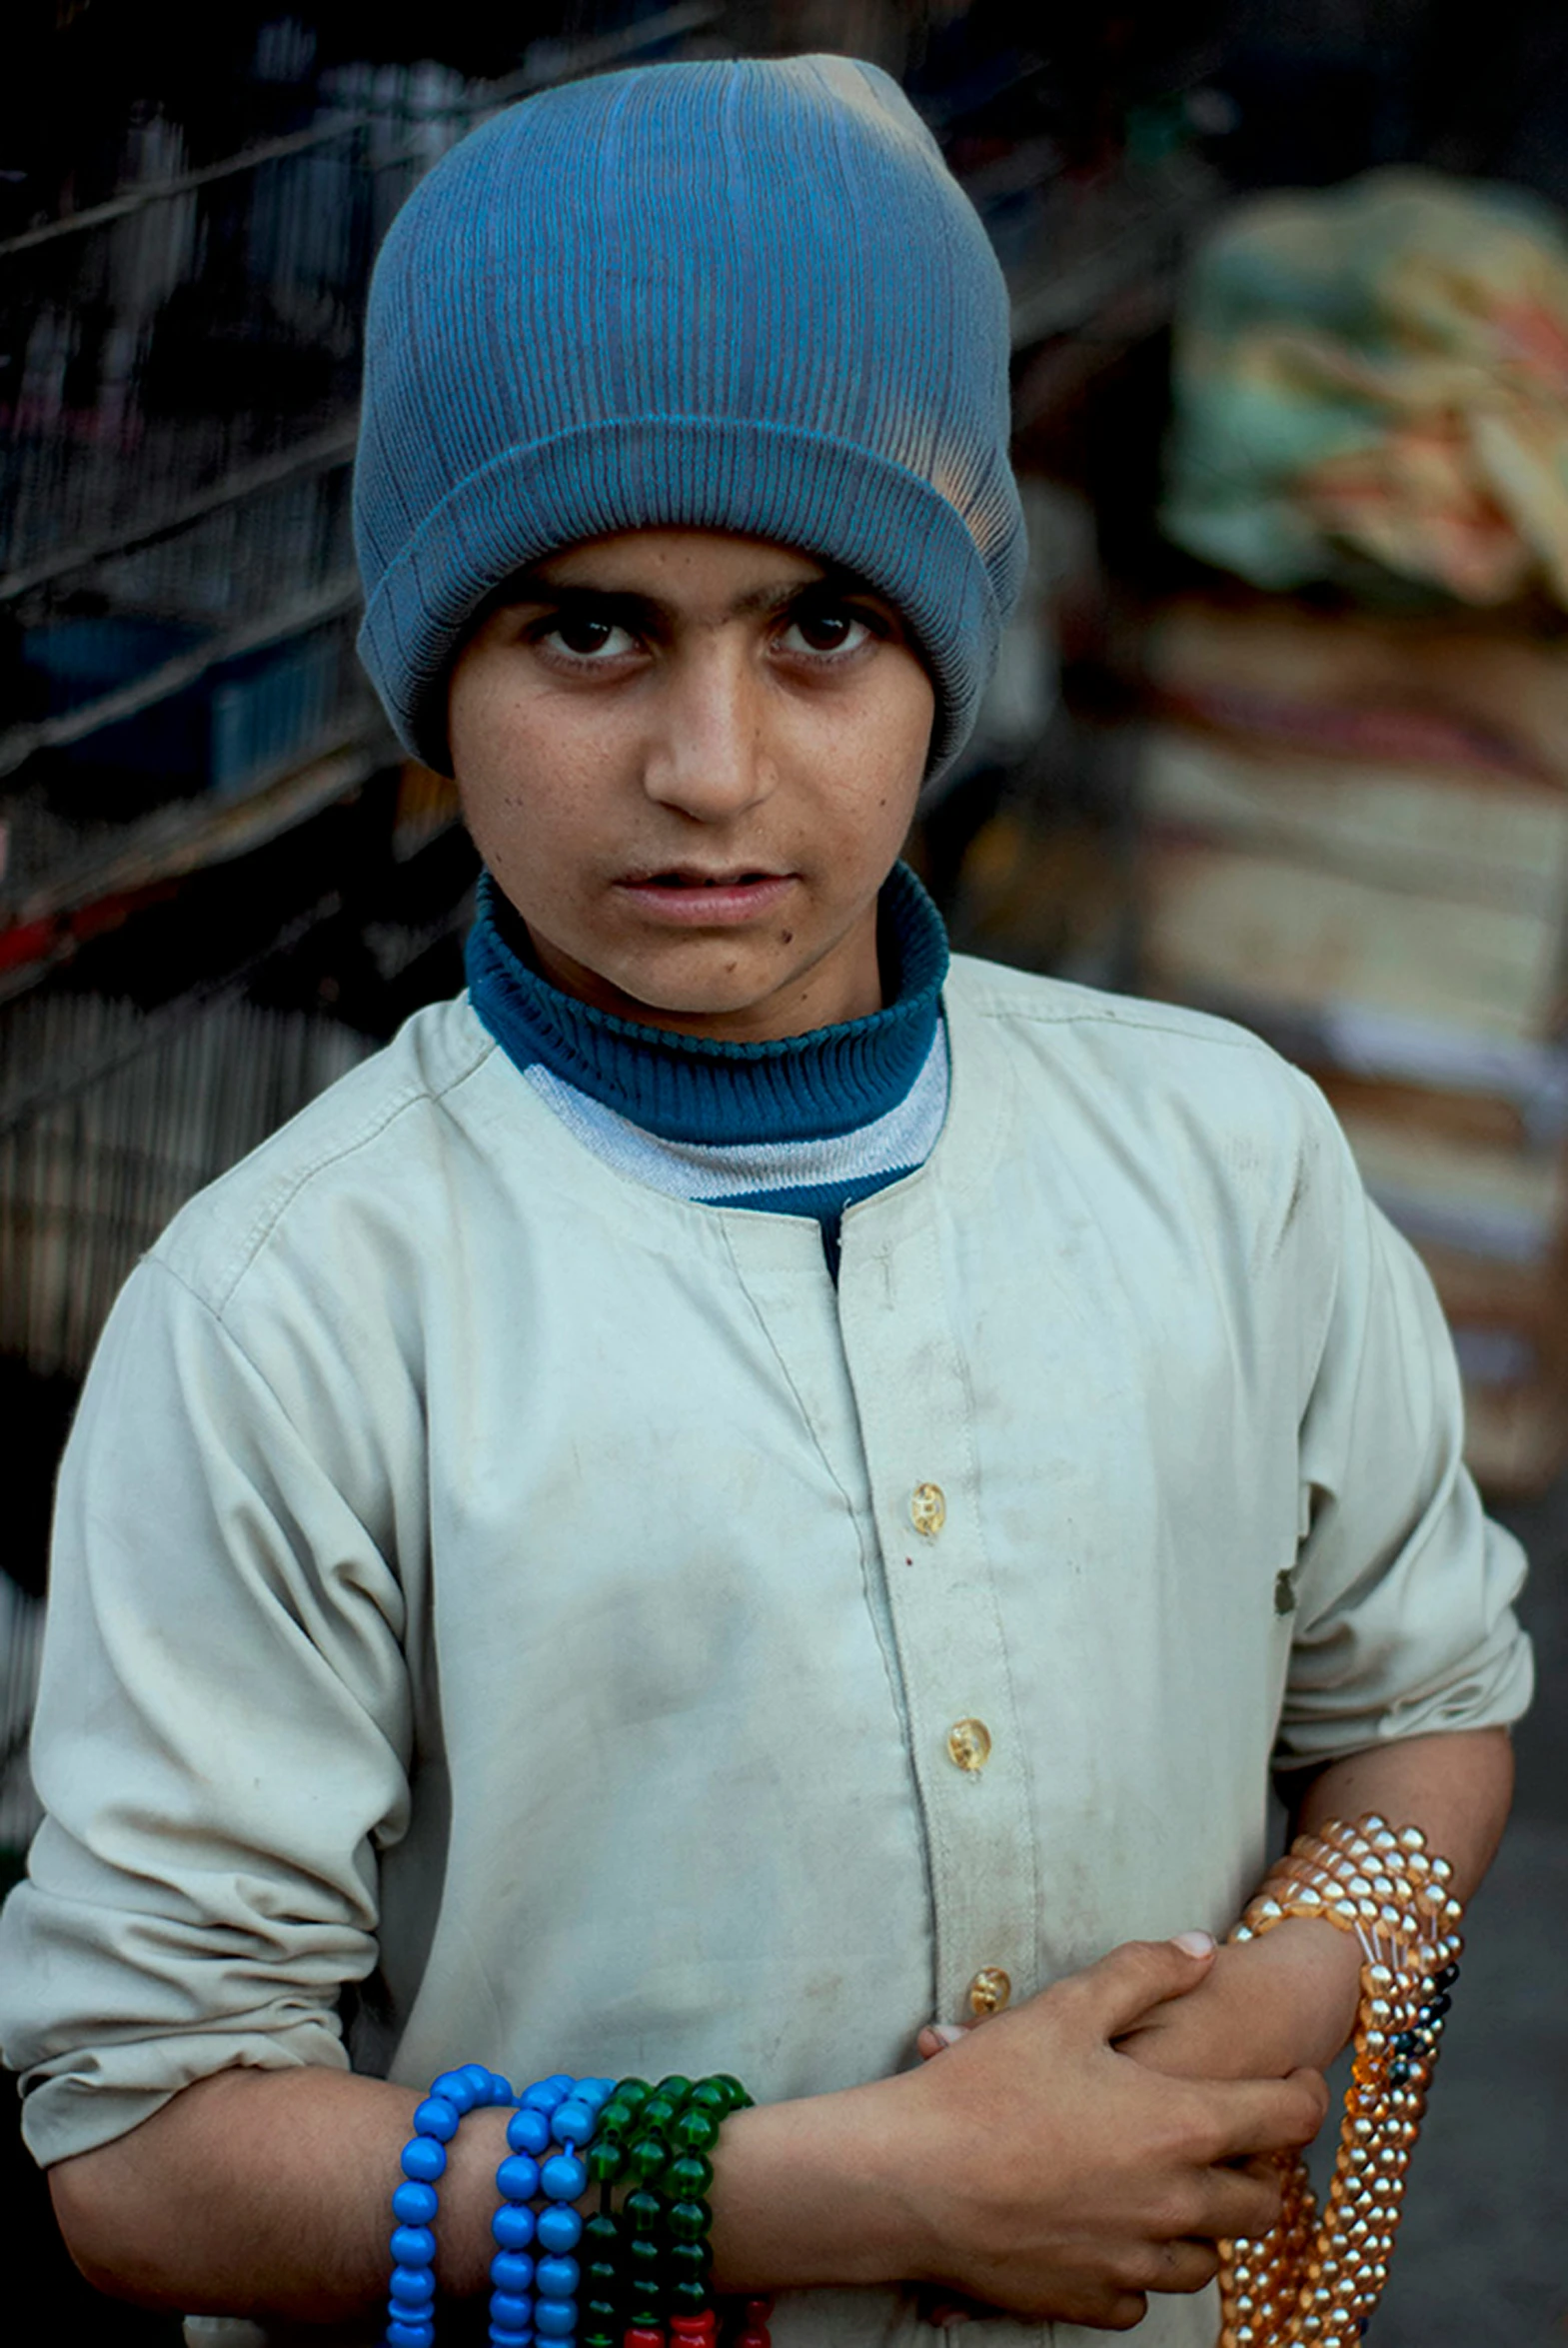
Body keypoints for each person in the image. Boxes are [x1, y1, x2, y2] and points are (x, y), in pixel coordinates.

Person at [0, 53, 1531, 2348]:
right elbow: (144, 2155)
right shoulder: (287, 1316)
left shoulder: (1228, 1164)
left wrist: (1297, 1997)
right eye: (587, 629)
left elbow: (1418, 1703)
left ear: (948, 637)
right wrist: (829, 2193)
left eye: (820, 622)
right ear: (433, 668)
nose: (708, 769)